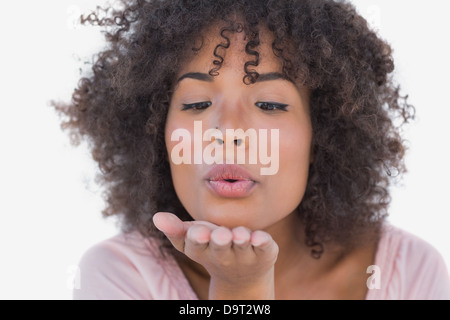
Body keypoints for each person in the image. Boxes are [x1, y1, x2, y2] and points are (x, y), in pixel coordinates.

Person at [53, 0, 450, 300]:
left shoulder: (407, 272)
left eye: (271, 105)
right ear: (157, 132)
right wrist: (239, 289)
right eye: (195, 104)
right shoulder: (120, 275)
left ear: (322, 136)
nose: (227, 130)